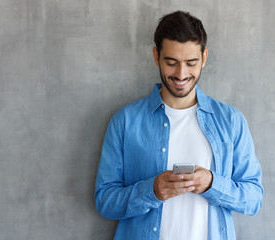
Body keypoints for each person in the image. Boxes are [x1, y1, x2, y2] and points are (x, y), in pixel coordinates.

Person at [94, 10, 263, 240]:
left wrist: (213, 184)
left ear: (204, 58)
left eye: (191, 63)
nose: (181, 74)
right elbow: (105, 201)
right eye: (171, 62)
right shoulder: (125, 121)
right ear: (156, 56)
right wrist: (152, 191)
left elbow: (254, 198)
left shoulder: (231, 121)